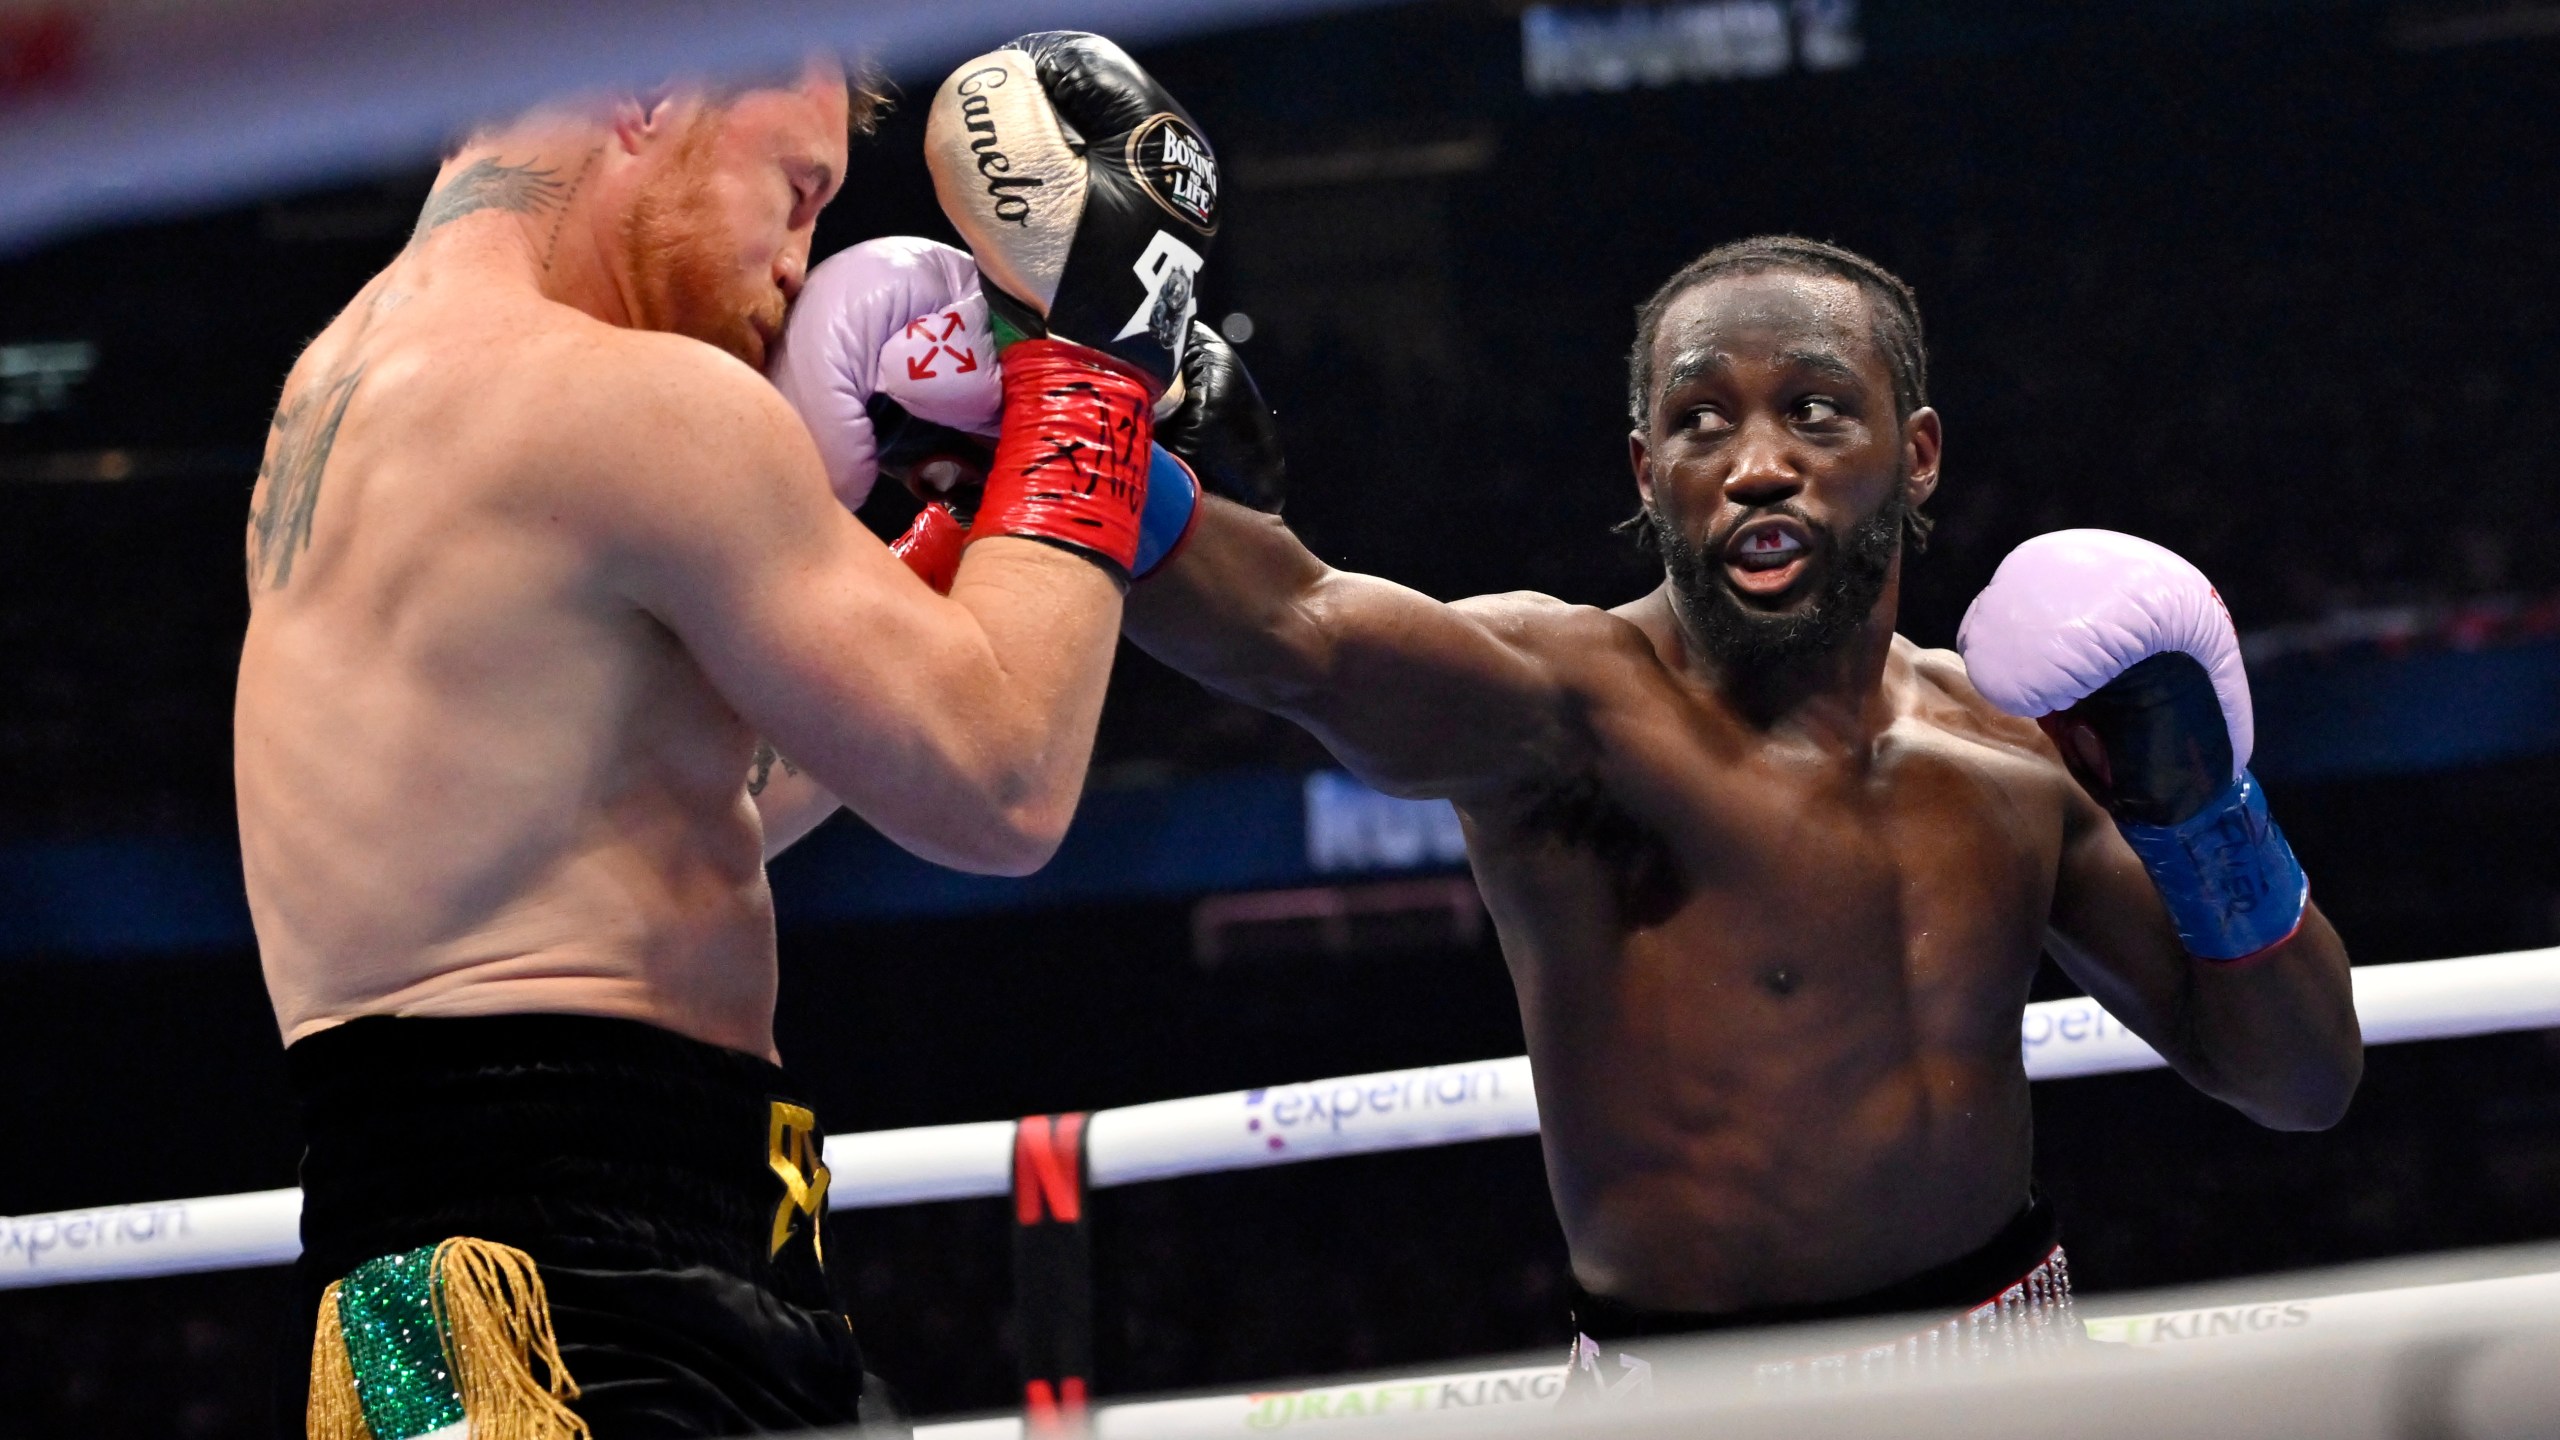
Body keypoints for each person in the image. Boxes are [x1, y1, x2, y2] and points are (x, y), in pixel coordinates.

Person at [1107, 235, 2364, 1387]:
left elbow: (2297, 1080)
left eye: (1814, 412)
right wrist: (1065, 431)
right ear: (1649, 474)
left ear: (1913, 450)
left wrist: (2207, 815)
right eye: (1701, 423)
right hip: (1693, 1398)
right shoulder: (1568, 713)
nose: (1758, 465)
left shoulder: (2011, 747)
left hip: (2014, 1361)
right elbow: (1295, 630)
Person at [237, 42, 1205, 1435]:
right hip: (585, 1295)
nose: (807, 265)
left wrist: (954, 534)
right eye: (799, 189)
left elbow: (709, 784)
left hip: (450, 1288)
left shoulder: (350, 382)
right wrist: (1094, 376)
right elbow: (1001, 776)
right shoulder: (630, 405)